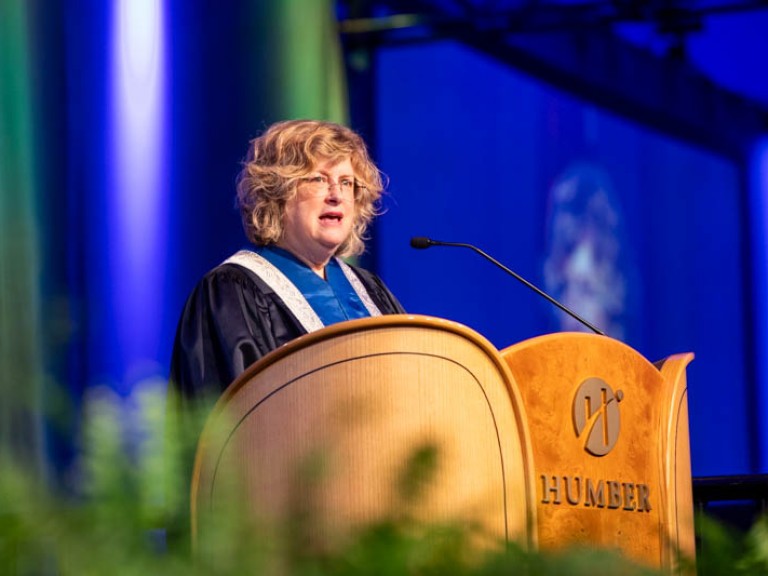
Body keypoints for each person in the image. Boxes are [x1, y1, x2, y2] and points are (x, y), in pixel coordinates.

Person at [169, 119, 405, 410]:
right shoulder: (231, 294)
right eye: (319, 179)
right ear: (278, 193)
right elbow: (236, 422)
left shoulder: (370, 290)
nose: (337, 195)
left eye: (346, 182)